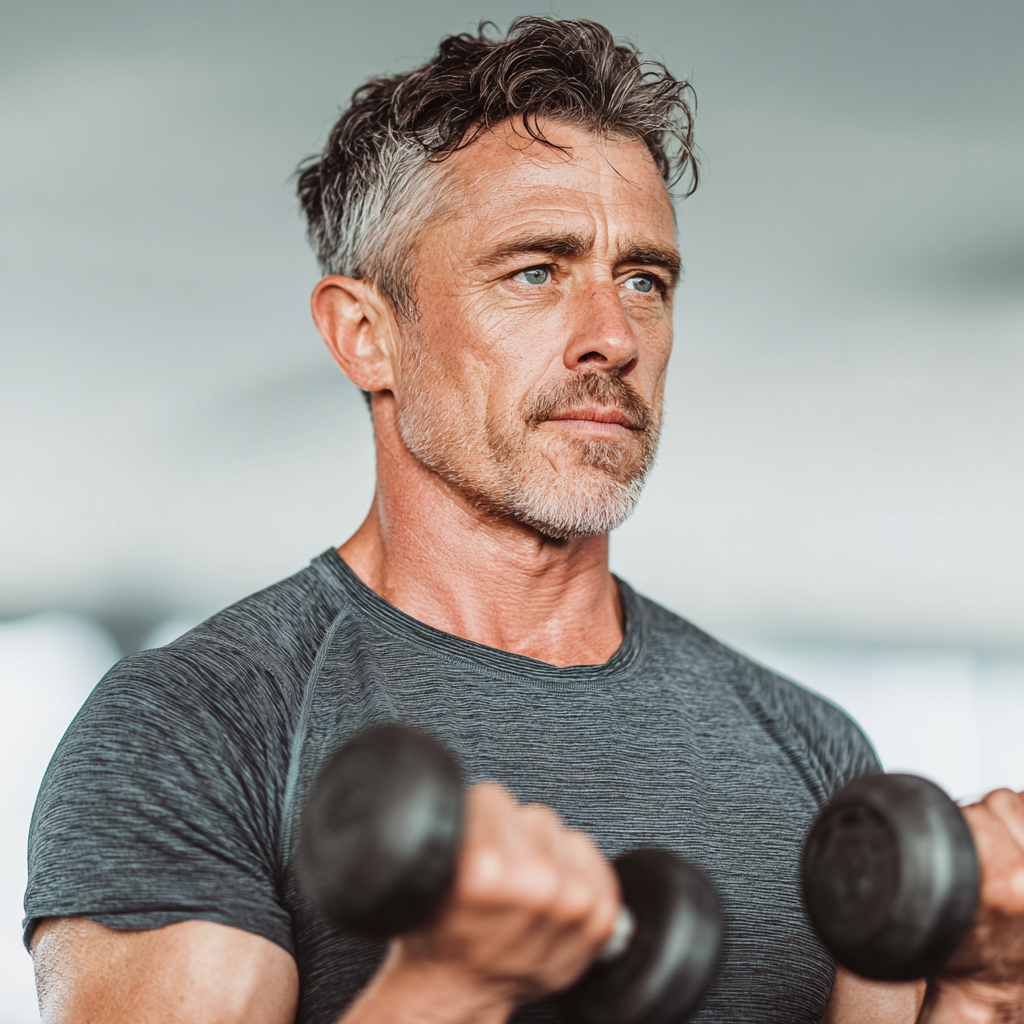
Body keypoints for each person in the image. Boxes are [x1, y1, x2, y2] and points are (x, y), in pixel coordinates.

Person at [24, 17, 1024, 1024]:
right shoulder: (198, 723)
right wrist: (450, 985)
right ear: (366, 335)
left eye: (643, 279)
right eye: (535, 271)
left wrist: (985, 994)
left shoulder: (809, 748)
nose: (612, 336)